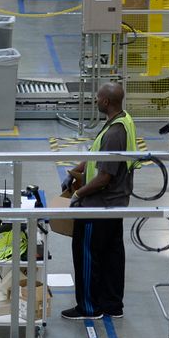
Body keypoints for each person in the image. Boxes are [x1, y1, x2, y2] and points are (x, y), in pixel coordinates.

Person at [62, 82, 136, 320]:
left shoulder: (115, 133)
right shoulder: (122, 120)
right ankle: (113, 304)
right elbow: (97, 153)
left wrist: (77, 194)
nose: (95, 101)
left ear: (105, 102)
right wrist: (75, 170)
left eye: (97, 98)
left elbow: (104, 176)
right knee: (112, 255)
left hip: (99, 205)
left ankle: (89, 307)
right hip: (115, 204)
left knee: (86, 254)